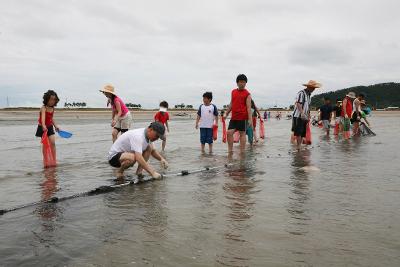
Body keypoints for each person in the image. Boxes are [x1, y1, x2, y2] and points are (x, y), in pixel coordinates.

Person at [223, 74, 253, 153]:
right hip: (234, 117)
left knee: (242, 134)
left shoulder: (247, 94)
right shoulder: (233, 92)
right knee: (229, 133)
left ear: (246, 83)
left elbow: (249, 107)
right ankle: (230, 150)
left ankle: (242, 151)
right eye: (240, 82)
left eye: (244, 82)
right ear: (237, 82)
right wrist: (226, 113)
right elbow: (231, 104)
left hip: (243, 117)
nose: (242, 84)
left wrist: (250, 119)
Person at [291, 80, 321, 150]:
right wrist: (302, 113)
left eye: (314, 88)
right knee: (298, 132)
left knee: (303, 132)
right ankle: (298, 147)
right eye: (313, 88)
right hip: (298, 116)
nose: (314, 89)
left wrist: (308, 114)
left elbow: (307, 106)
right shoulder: (301, 93)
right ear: (308, 87)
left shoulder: (308, 95)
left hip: (305, 116)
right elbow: (298, 103)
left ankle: (299, 146)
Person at [35, 90, 61, 163]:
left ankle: (54, 160)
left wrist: (56, 126)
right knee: (45, 144)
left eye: (54, 99)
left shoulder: (52, 108)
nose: (52, 101)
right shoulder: (43, 108)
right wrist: (43, 126)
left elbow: (51, 118)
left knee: (53, 142)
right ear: (47, 99)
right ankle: (45, 160)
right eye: (51, 99)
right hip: (42, 127)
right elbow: (43, 118)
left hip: (49, 127)